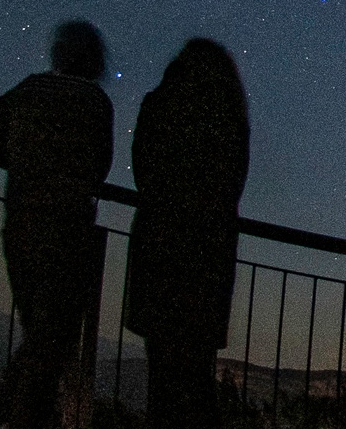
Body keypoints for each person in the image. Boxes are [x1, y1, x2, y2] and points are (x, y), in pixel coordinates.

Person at [0, 20, 114, 429]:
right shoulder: (96, 102)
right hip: (69, 228)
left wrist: (24, 156)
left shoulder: (31, 88)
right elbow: (99, 166)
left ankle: (20, 412)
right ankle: (22, 414)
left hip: (22, 221)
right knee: (52, 340)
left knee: (40, 332)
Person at [125, 38, 250, 429]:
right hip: (209, 259)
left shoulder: (160, 104)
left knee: (163, 378)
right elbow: (233, 184)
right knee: (195, 380)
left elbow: (143, 169)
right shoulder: (230, 116)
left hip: (158, 248)